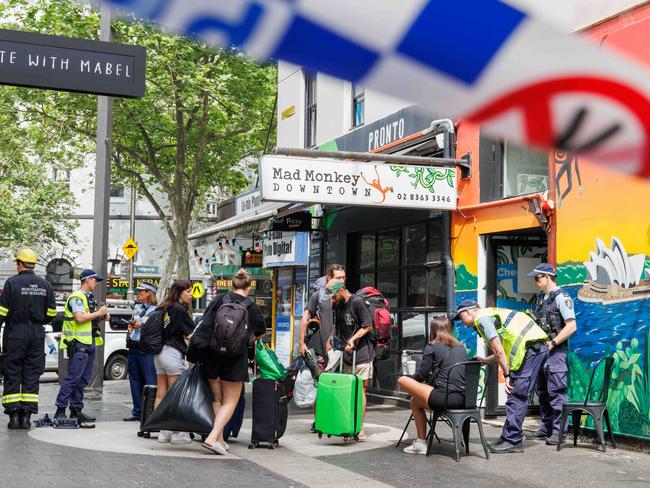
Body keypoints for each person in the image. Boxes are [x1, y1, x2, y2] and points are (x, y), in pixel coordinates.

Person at [454, 299, 548, 453]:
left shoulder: (482, 320)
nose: (461, 323)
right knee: (516, 395)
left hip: (532, 351)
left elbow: (498, 350)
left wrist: (507, 374)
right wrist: (485, 360)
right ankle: (508, 437)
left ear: (467, 312)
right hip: (533, 349)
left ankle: (512, 440)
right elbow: (501, 351)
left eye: (461, 318)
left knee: (517, 395)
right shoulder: (490, 314)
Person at [195, 268, 266, 455]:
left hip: (212, 355)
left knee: (217, 399)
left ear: (232, 284)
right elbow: (259, 332)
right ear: (249, 287)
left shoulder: (219, 300)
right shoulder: (252, 307)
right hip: (235, 358)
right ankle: (212, 438)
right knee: (231, 401)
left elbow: (205, 322)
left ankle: (219, 440)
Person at [0, 249, 56, 429]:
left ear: (19, 263)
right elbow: (51, 313)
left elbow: (2, 312)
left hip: (15, 333)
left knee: (12, 374)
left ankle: (13, 417)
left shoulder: (11, 283)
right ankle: (26, 418)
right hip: (36, 334)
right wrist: (38, 321)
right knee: (31, 375)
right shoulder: (45, 285)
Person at [398, 316, 468, 454]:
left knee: (401, 380)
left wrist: (409, 378)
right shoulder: (461, 348)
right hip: (463, 399)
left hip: (443, 398)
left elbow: (421, 375)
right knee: (415, 401)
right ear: (449, 329)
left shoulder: (432, 346)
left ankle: (421, 443)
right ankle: (420, 442)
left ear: (433, 329)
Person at [528, 263, 577, 446]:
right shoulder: (542, 297)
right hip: (541, 351)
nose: (535, 282)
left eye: (537, 278)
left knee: (556, 391)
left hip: (556, 352)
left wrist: (554, 342)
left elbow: (571, 326)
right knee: (542, 391)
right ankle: (546, 427)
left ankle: (559, 432)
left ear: (547, 277)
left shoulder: (562, 298)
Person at [54, 269, 107, 424]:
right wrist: (98, 313)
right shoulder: (77, 297)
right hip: (78, 344)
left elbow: (90, 321)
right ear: (87, 280)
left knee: (83, 380)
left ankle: (76, 411)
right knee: (72, 378)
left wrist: (102, 317)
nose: (96, 283)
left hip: (88, 344)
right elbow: (80, 318)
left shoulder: (88, 298)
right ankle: (60, 410)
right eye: (95, 280)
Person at [298, 264, 346, 432]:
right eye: (338, 277)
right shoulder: (318, 296)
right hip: (320, 349)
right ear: (328, 278)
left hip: (341, 351)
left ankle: (335, 419)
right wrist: (301, 342)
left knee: (338, 387)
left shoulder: (346, 296)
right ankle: (318, 421)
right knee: (320, 385)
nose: (342, 280)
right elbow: (305, 318)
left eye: (343, 277)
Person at [328, 279, 374, 441]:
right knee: (348, 390)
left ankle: (360, 428)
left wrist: (353, 339)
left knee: (360, 390)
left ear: (341, 290)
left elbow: (368, 326)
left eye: (333, 297)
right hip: (347, 355)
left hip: (361, 354)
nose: (332, 301)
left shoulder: (357, 302)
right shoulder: (338, 305)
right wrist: (332, 340)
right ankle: (347, 423)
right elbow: (340, 327)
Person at [153, 279, 195, 444]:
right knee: (176, 394)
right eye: (188, 292)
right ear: (179, 292)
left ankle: (163, 431)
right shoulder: (179, 309)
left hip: (159, 353)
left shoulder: (166, 306)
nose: (191, 295)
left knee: (161, 394)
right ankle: (177, 433)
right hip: (172, 353)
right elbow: (190, 334)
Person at [123, 281, 159, 422]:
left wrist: (142, 325)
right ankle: (137, 411)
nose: (138, 294)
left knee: (149, 380)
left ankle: (149, 413)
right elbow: (134, 321)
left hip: (146, 348)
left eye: (141, 291)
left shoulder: (155, 309)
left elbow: (155, 327)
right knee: (135, 380)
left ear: (148, 293)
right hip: (134, 346)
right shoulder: (137, 307)